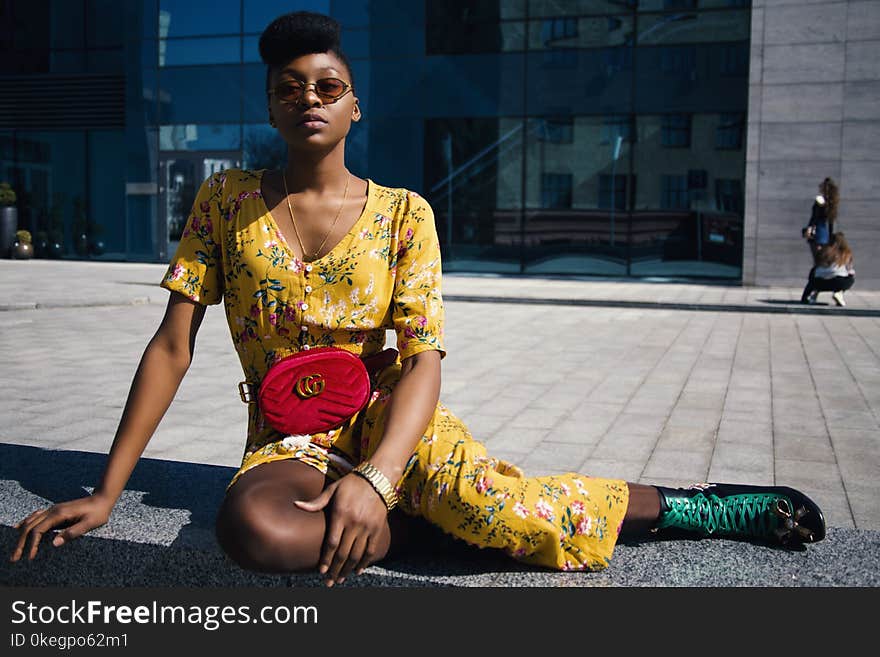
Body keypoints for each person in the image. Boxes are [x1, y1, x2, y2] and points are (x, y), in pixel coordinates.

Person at [10, 11, 826, 584]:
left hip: (393, 420)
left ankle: (691, 507)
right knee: (251, 530)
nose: (309, 98)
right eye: (290, 86)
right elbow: (172, 345)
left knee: (501, 512)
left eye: (327, 85)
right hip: (288, 440)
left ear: (354, 105)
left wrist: (378, 478)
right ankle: (432, 515)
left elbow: (423, 355)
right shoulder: (225, 201)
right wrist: (108, 491)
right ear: (270, 104)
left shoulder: (406, 213)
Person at [801, 232, 855, 306]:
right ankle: (839, 293)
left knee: (814, 273)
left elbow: (815, 268)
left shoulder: (823, 251)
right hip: (838, 282)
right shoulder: (846, 253)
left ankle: (813, 294)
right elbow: (850, 270)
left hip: (818, 283)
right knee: (851, 278)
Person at [802, 177, 839, 260]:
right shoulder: (832, 203)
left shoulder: (820, 200)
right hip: (824, 234)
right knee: (822, 259)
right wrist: (830, 237)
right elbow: (831, 223)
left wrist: (809, 229)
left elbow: (814, 216)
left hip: (817, 231)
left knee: (817, 258)